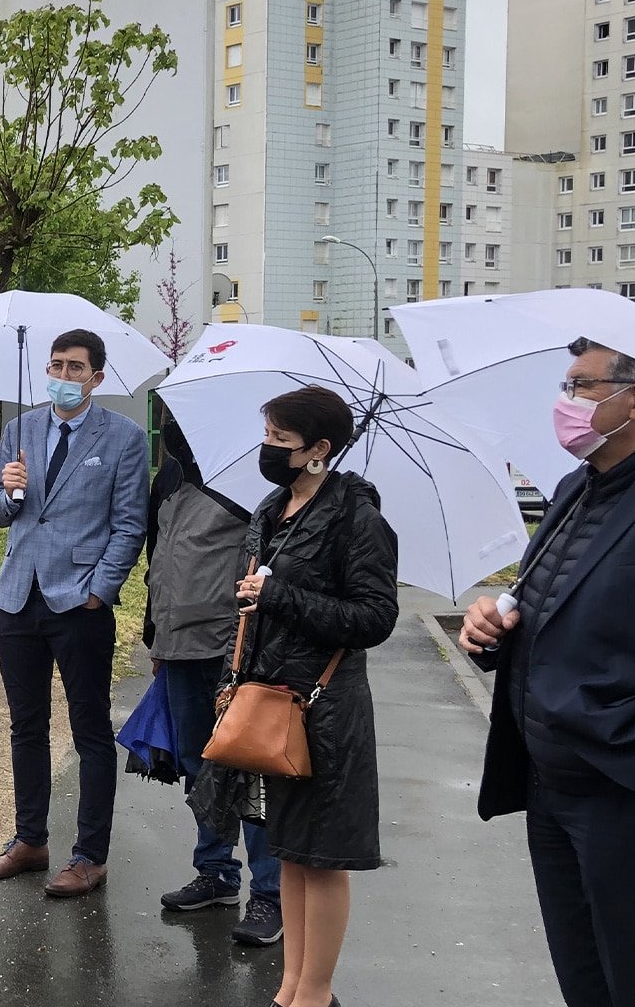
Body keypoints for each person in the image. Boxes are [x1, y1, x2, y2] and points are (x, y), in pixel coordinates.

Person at [459, 338, 635, 1007]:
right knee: (584, 977)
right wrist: (491, 630)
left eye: (580, 386)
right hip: (552, 785)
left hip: (632, 795)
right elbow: (552, 607)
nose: (565, 400)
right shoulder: (572, 488)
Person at [233, 385, 398, 1007]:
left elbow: (375, 617)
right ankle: (290, 990)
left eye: (281, 440)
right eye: (267, 435)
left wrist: (277, 597)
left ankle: (315, 993)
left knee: (323, 857)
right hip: (272, 699)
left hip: (325, 709)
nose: (268, 449)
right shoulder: (274, 507)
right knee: (293, 852)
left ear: (320, 449)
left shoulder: (357, 518)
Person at [0, 329, 148, 898]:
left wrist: (100, 590)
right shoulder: (18, 430)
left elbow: (129, 524)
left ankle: (90, 856)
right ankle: (30, 841)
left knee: (90, 729)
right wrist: (9, 490)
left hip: (80, 602)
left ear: (97, 377)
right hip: (18, 596)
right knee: (26, 725)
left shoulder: (122, 437)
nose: (65, 376)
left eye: (76, 368)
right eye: (56, 365)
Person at [143, 416, 283, 947]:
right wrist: (154, 633)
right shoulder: (169, 476)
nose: (174, 429)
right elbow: (156, 557)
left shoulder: (257, 482)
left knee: (250, 772)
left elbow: (270, 563)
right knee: (199, 770)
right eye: (169, 418)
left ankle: (268, 893)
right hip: (177, 646)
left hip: (233, 649)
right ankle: (216, 873)